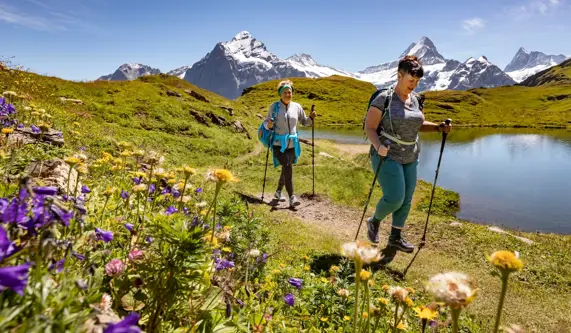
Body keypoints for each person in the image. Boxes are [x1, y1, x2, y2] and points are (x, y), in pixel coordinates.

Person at [364, 55, 451, 253]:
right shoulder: (383, 98)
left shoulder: (416, 100)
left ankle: (395, 237)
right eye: (411, 80)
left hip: (411, 155)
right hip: (387, 154)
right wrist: (378, 146)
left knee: (407, 199)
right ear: (399, 75)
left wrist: (438, 127)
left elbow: (417, 125)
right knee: (395, 197)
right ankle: (374, 221)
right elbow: (370, 128)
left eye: (417, 81)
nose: (414, 84)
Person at [263, 80, 316, 207]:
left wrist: (311, 118)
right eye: (285, 92)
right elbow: (266, 123)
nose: (288, 94)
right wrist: (269, 125)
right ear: (280, 94)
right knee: (287, 166)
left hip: (293, 144)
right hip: (278, 144)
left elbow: (304, 122)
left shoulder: (297, 107)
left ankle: (278, 192)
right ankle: (292, 197)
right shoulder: (274, 107)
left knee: (286, 169)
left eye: (290, 92)